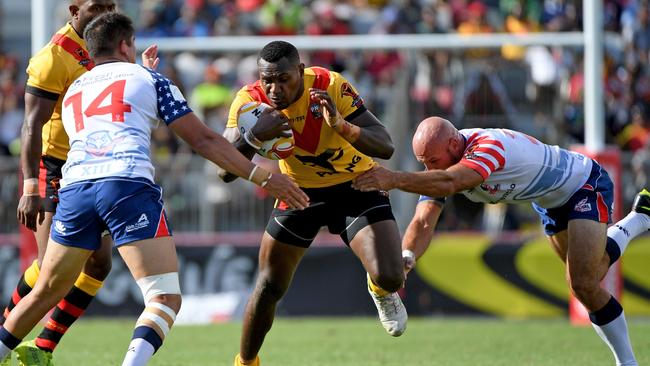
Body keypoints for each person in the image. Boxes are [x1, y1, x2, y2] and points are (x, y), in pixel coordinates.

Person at [0, 13, 308, 366]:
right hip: (126, 186)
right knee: (163, 298)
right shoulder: (150, 78)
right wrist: (264, 177)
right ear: (126, 44)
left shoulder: (74, 90)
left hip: (75, 189)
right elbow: (203, 139)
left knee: (45, 291)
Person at [352, 116, 650, 366]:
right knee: (590, 275)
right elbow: (423, 220)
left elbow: (452, 182)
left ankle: (628, 363)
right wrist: (407, 256)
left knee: (583, 283)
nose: (429, 168)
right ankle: (640, 218)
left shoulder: (488, 147)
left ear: (455, 145)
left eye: (432, 161)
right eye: (424, 163)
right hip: (546, 201)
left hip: (582, 183)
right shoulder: (443, 164)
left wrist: (392, 179)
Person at [219, 41, 406, 366]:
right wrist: (253, 137)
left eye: (283, 79)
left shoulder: (329, 85)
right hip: (299, 192)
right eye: (268, 80)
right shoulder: (250, 103)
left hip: (357, 185)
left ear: (301, 73)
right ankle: (245, 363)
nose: (275, 89)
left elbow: (386, 145)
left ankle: (379, 289)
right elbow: (224, 171)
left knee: (391, 276)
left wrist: (343, 126)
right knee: (268, 286)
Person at [2, 1, 117, 364]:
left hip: (93, 164)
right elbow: (31, 125)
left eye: (110, 5)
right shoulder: (54, 57)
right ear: (74, 9)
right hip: (55, 168)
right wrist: (30, 187)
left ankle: (43, 349)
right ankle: (4, 337)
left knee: (98, 263)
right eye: (96, 6)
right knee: (53, 268)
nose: (104, 12)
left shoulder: (110, 46)